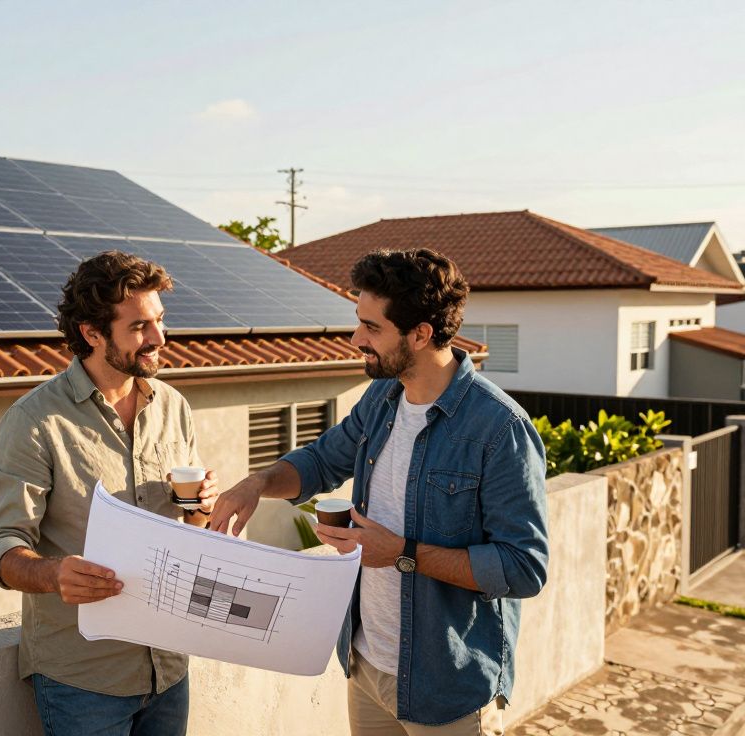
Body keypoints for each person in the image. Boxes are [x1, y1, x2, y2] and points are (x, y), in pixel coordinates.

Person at [211, 248, 548, 735]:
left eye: (371, 327)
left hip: (446, 686)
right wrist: (258, 482)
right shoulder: (382, 397)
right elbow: (323, 460)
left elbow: (523, 567)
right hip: (366, 665)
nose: (356, 338)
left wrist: (402, 554)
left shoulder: (500, 429)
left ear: (420, 334)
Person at [0, 250, 217, 736]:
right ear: (92, 333)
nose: (159, 338)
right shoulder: (34, 422)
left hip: (169, 666)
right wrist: (53, 574)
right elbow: (0, 546)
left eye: (160, 320)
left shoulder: (173, 406)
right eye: (139, 327)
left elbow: (192, 528)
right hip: (83, 680)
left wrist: (200, 509)